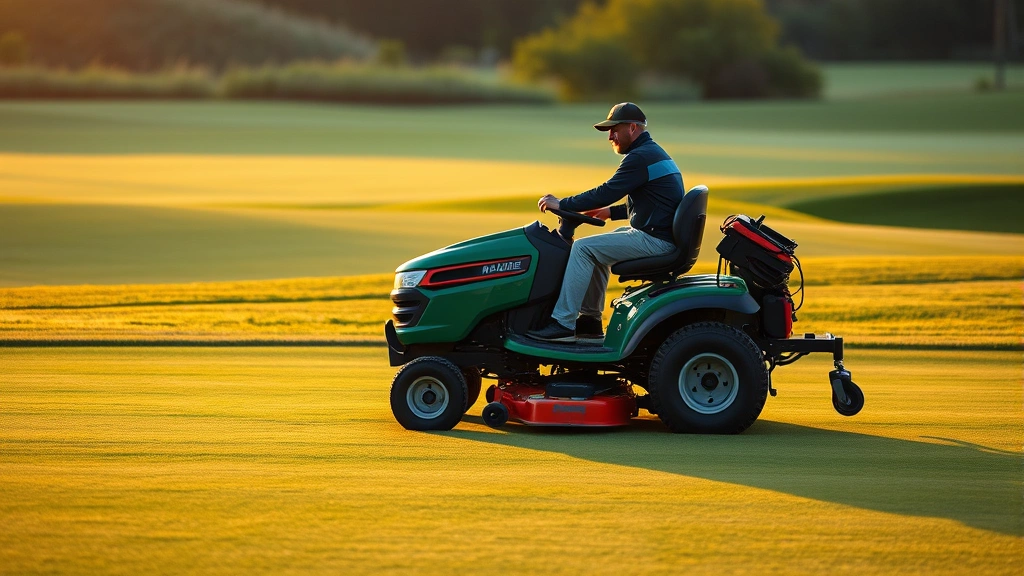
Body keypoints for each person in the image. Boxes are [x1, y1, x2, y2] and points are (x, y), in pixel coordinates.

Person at [527, 102, 684, 343]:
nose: (610, 136)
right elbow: (654, 201)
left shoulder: (640, 157)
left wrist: (564, 204)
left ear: (632, 128)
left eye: (614, 130)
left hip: (656, 240)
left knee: (583, 248)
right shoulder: (652, 153)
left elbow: (607, 190)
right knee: (597, 248)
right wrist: (610, 212)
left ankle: (563, 323)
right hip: (659, 235)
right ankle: (589, 322)